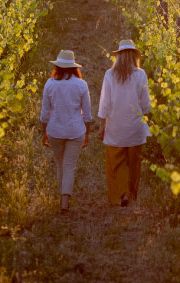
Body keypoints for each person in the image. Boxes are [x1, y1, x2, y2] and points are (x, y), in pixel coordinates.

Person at [98, 39, 151, 207]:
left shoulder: (109, 74)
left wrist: (102, 124)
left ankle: (122, 193)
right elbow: (146, 104)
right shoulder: (140, 74)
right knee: (134, 162)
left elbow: (105, 103)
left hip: (115, 125)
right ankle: (131, 193)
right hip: (135, 125)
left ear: (119, 56)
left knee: (116, 161)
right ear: (134, 56)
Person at [40, 49, 92, 213]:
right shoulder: (81, 85)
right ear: (74, 67)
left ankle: (63, 197)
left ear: (57, 67)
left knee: (60, 164)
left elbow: (44, 114)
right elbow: (88, 114)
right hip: (75, 130)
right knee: (69, 165)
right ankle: (65, 200)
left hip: (55, 130)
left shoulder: (50, 84)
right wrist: (87, 133)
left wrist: (44, 132)